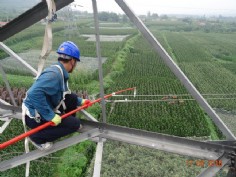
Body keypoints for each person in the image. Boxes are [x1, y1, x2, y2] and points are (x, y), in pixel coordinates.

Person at [22, 41, 91, 150]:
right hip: (33, 116)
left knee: (72, 98)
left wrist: (80, 101)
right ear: (72, 61)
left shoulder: (59, 71)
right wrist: (50, 116)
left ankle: (67, 124)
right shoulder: (54, 75)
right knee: (75, 124)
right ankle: (36, 138)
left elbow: (65, 94)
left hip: (43, 108)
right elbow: (33, 93)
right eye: (76, 62)